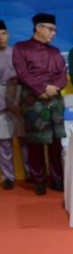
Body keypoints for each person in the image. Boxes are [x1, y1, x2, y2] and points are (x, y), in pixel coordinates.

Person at [12, 14, 67, 195]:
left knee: (56, 141)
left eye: (55, 30)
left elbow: (62, 75)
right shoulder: (21, 48)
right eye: (50, 30)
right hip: (32, 98)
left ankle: (58, 179)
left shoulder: (55, 52)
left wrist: (54, 88)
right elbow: (22, 73)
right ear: (38, 27)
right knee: (35, 141)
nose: (53, 34)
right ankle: (39, 180)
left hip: (54, 98)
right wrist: (41, 88)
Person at [0, 21, 27, 191]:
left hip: (21, 96)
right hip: (1, 103)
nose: (0, 37)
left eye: (3, 33)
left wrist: (19, 102)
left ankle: (30, 173)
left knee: (25, 140)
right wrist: (7, 104)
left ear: (8, 35)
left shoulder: (17, 53)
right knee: (4, 143)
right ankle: (8, 176)